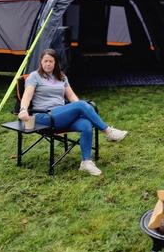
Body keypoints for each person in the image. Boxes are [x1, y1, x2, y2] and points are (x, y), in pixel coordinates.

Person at [18, 48, 129, 176]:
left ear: (55, 63)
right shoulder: (34, 76)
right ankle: (108, 131)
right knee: (82, 104)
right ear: (41, 62)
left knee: (86, 124)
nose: (48, 64)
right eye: (45, 61)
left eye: (51, 61)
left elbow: (71, 96)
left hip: (62, 116)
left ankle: (86, 162)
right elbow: (27, 95)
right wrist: (23, 110)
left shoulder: (62, 77)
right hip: (45, 116)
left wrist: (83, 110)